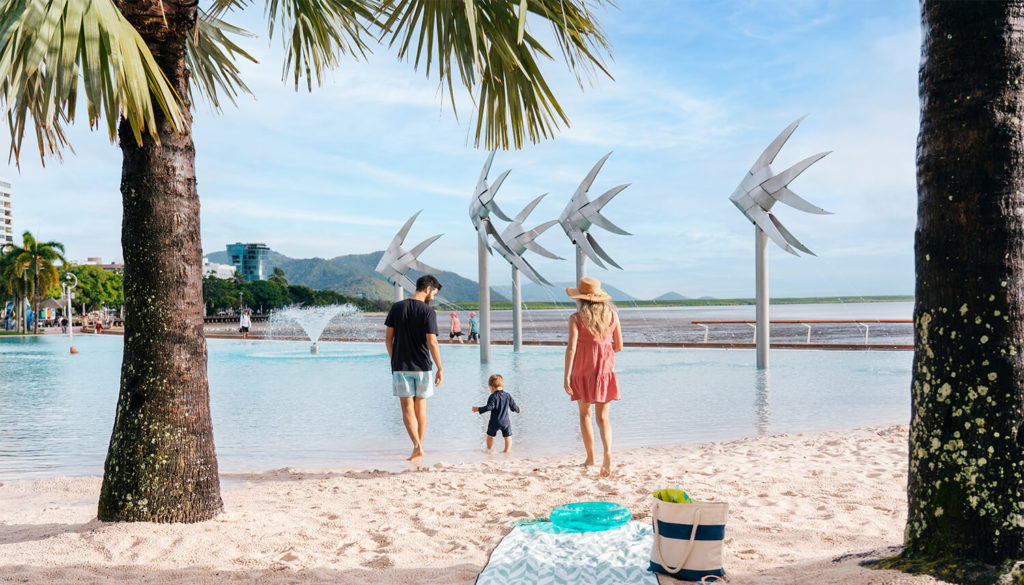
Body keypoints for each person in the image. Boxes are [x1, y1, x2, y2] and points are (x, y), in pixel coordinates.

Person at [563, 277, 623, 478]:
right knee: (603, 418)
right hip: (605, 372)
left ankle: (590, 458)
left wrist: (566, 376)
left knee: (584, 415)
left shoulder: (575, 318)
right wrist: (604, 352)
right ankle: (607, 453)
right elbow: (619, 346)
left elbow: (571, 348)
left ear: (580, 298)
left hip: (582, 371)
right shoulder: (613, 315)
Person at [385, 275, 444, 461]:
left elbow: (388, 339)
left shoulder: (397, 307)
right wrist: (440, 368)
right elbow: (432, 342)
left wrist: (394, 359)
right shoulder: (428, 312)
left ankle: (417, 446)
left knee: (407, 408)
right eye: (433, 293)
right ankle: (419, 446)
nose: (432, 298)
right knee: (422, 409)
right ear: (427, 289)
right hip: (423, 367)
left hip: (401, 366)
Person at [472, 374, 520, 453]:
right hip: (505, 422)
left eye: (490, 388)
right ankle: (506, 451)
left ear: (492, 387)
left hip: (494, 422)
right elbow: (513, 407)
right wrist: (518, 410)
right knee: (508, 437)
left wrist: (478, 409)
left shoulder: (492, 396)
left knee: (490, 436)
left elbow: (489, 407)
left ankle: (489, 450)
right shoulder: (508, 395)